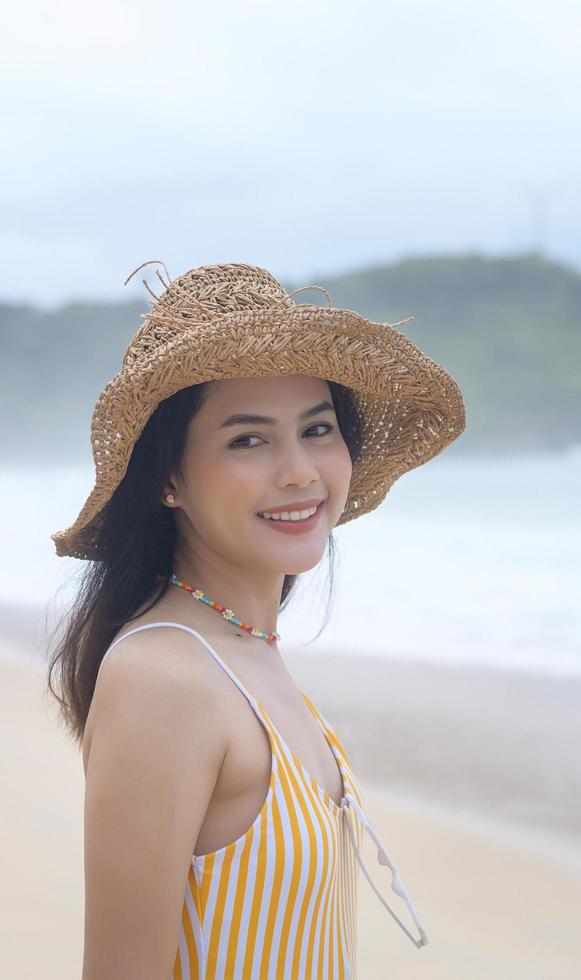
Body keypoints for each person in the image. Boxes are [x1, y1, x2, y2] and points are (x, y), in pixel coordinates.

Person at [47, 260, 467, 978]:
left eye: (317, 428)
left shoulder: (244, 650)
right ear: (169, 478)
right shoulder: (162, 676)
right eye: (248, 440)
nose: (299, 471)